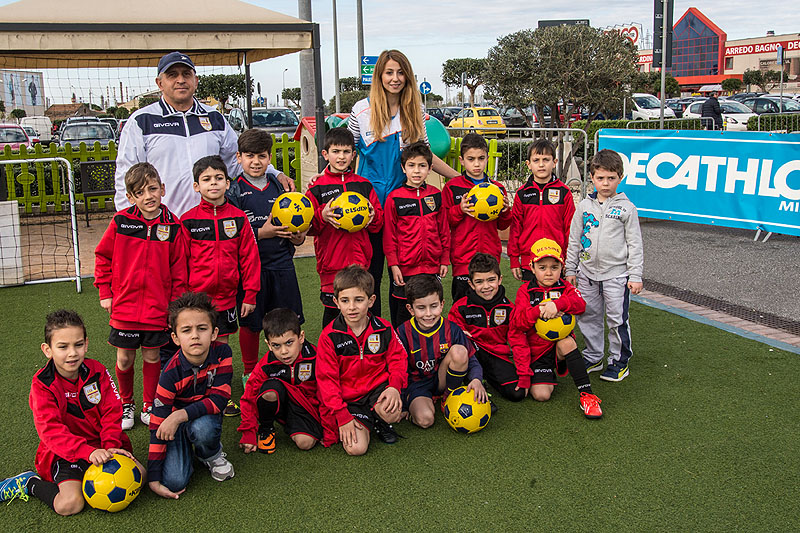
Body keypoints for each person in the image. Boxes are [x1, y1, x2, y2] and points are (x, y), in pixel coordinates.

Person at [114, 51, 293, 218]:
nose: (180, 80)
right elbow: (127, 175)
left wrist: (275, 173)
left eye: (186, 74)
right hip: (164, 223)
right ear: (160, 83)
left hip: (211, 223)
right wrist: (128, 222)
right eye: (172, 75)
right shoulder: (141, 120)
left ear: (196, 80)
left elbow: (238, 160)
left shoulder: (215, 118)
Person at [348, 49, 460, 316]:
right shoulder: (360, 110)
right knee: (370, 276)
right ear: (379, 76)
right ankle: (372, 335)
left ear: (408, 77)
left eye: (400, 72)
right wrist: (324, 177)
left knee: (403, 280)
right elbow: (345, 153)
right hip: (369, 208)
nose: (395, 78)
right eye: (389, 72)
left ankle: (404, 338)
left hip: (405, 209)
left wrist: (458, 178)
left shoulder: (416, 110)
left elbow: (426, 156)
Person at [0, 310, 144, 515]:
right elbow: (51, 431)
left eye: (78, 345)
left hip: (103, 446)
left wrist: (111, 445)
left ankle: (91, 481)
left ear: (86, 344)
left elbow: (112, 412)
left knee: (143, 476)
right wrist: (88, 452)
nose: (72, 353)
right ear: (47, 350)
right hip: (68, 454)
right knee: (69, 505)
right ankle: (29, 483)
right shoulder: (42, 385)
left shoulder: (97, 371)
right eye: (62, 347)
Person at [94, 162, 187, 430]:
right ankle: (126, 404)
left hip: (157, 310)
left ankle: (149, 404)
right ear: (131, 197)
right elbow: (102, 257)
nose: (148, 196)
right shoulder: (121, 222)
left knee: (152, 357)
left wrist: (174, 307)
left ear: (163, 189)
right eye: (140, 192)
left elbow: (179, 271)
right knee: (124, 358)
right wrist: (105, 291)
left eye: (152, 188)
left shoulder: (174, 227)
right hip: (124, 307)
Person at [227, 129, 307, 390]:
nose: (256, 162)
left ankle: (284, 365)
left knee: (284, 318)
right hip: (251, 269)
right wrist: (265, 232)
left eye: (261, 156)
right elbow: (233, 233)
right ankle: (250, 372)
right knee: (251, 323)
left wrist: (297, 238)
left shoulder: (280, 186)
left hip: (282, 264)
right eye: (249, 156)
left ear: (269, 157)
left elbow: (297, 231)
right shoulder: (235, 191)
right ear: (239, 157)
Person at [565, 149, 643, 382]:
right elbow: (574, 238)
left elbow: (635, 244)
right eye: (600, 178)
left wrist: (635, 275)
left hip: (616, 276)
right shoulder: (584, 206)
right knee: (588, 315)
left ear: (620, 177)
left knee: (617, 319)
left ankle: (619, 360)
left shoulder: (627, 209)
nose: (605, 183)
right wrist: (571, 269)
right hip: (587, 274)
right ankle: (594, 355)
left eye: (611, 178)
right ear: (592, 177)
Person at [148, 292, 234, 500]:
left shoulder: (223, 353)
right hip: (174, 423)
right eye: (187, 330)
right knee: (175, 481)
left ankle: (210, 454)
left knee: (203, 428)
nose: (195, 335)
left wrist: (178, 416)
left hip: (197, 418)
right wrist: (152, 477)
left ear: (214, 333)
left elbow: (219, 400)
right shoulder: (169, 374)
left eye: (201, 328)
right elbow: (157, 423)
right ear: (176, 338)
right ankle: (184, 445)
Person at [315, 265, 408, 455]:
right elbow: (327, 381)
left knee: (392, 412)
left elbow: (399, 359)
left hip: (377, 390)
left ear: (371, 300)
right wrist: (342, 415)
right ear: (336, 302)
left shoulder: (384, 328)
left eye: (359, 300)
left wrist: (394, 387)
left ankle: (381, 420)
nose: (352, 307)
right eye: (345, 301)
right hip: (348, 399)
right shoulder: (329, 336)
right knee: (356, 449)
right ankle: (363, 419)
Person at [508, 238, 603, 419]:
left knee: (567, 342)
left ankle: (588, 396)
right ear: (532, 268)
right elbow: (518, 323)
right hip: (538, 354)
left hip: (559, 348)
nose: (549, 273)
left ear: (562, 267)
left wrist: (557, 305)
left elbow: (580, 305)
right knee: (541, 395)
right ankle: (547, 372)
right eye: (542, 267)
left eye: (554, 267)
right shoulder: (525, 292)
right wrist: (539, 310)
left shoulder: (566, 287)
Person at [306, 128, 383, 328]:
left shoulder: (363, 185)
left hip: (360, 264)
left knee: (361, 316)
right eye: (336, 151)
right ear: (325, 154)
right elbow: (308, 227)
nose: (341, 157)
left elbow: (378, 224)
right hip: (331, 265)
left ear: (353, 154)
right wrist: (321, 216)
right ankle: (329, 355)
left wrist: (373, 218)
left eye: (346, 152)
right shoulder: (317, 188)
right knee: (333, 319)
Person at [238, 308, 336, 455]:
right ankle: (266, 428)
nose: (284, 351)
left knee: (305, 443)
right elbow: (248, 397)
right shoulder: (266, 364)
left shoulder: (316, 358)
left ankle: (294, 425)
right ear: (269, 344)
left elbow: (326, 394)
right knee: (270, 389)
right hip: (279, 401)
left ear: (301, 337)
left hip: (305, 407)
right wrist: (248, 432)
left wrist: (330, 431)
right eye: (276, 345)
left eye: (289, 342)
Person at [395, 275, 486, 429]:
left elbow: (471, 359)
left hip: (441, 379)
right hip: (417, 385)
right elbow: (398, 369)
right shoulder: (402, 333)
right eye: (421, 308)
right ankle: (415, 409)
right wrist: (403, 404)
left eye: (434, 306)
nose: (429, 314)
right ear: (411, 309)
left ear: (442, 304)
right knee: (425, 420)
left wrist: (476, 379)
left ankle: (449, 397)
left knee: (459, 351)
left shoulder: (452, 329)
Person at [383, 141, 450, 327]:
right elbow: (389, 236)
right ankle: (402, 353)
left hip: (431, 268)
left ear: (429, 169)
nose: (417, 171)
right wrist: (394, 265)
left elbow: (443, 230)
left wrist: (444, 259)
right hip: (404, 270)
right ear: (403, 168)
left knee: (428, 314)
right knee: (403, 317)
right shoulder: (394, 198)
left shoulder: (436, 195)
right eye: (411, 165)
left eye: (422, 166)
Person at [442, 133, 512, 302]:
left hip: (490, 258)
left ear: (488, 158)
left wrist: (505, 211)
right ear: (461, 160)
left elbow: (502, 226)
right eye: (471, 159)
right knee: (462, 308)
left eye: (481, 158)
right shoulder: (452, 188)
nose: (476, 164)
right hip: (463, 260)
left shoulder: (497, 189)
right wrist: (459, 210)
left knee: (489, 306)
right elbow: (444, 222)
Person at [450, 253, 525, 402]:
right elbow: (452, 333)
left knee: (517, 393)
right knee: (461, 342)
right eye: (479, 281)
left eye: (491, 280)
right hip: (472, 354)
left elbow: (519, 341)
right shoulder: (460, 307)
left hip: (497, 355)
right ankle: (470, 382)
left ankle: (487, 377)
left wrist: (524, 374)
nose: (486, 286)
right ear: (471, 284)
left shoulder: (509, 307)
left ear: (500, 280)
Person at [508, 138, 575, 282]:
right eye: (536, 160)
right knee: (530, 302)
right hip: (529, 261)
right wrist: (514, 259)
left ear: (554, 162)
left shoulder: (564, 192)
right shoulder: (522, 193)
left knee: (556, 303)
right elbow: (515, 228)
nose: (541, 164)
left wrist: (569, 260)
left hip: (556, 260)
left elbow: (571, 228)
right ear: (529, 164)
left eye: (546, 159)